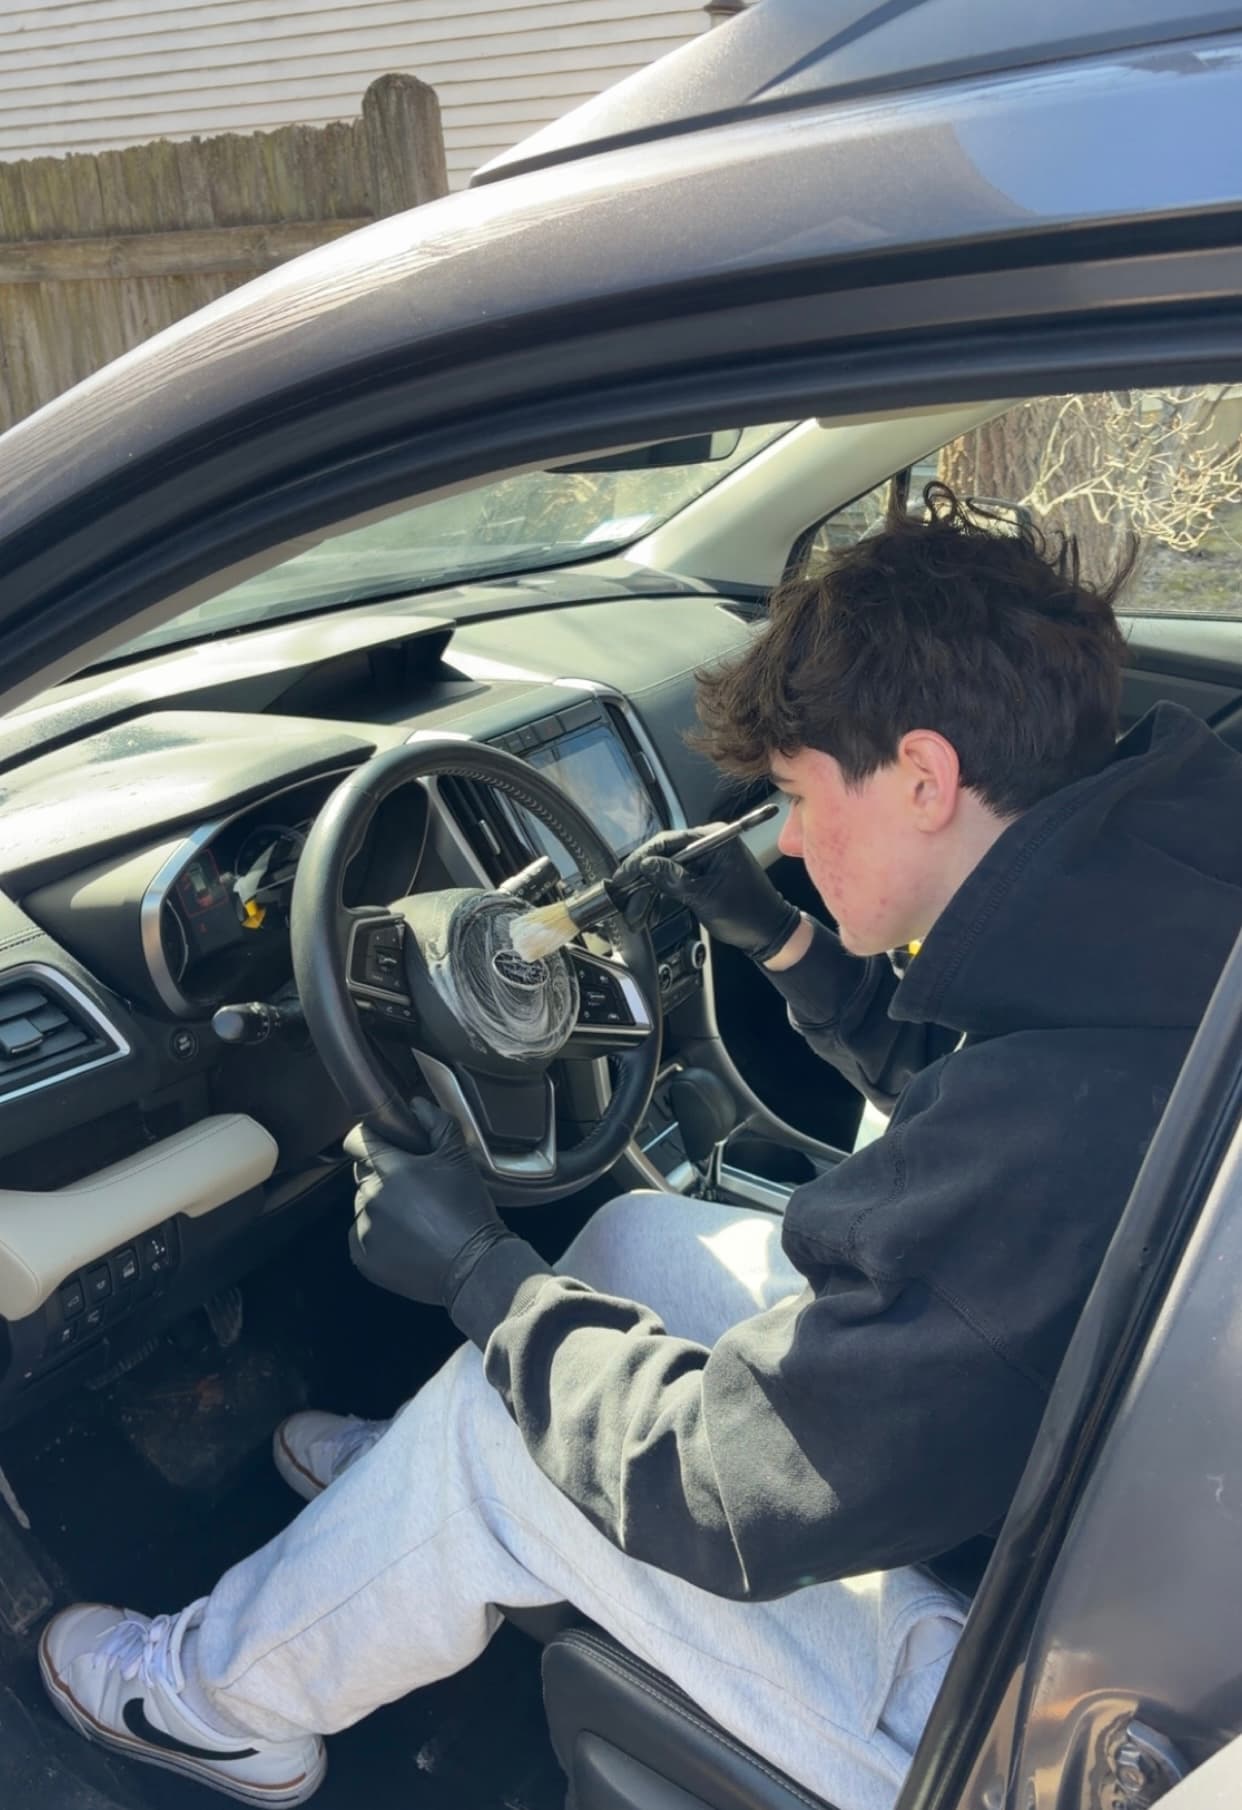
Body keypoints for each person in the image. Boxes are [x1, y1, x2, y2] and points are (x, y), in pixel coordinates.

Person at [38, 488, 1242, 1810]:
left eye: (793, 796)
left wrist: (474, 1267)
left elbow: (721, 1487)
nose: (781, 836)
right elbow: (980, 1093)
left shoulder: (1048, 1137)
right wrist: (780, 940)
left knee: (514, 1439)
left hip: (1040, 1733)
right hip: (1106, 1538)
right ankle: (395, 1508)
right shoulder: (1159, 919)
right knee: (630, 1243)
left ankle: (221, 1704)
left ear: (922, 774)